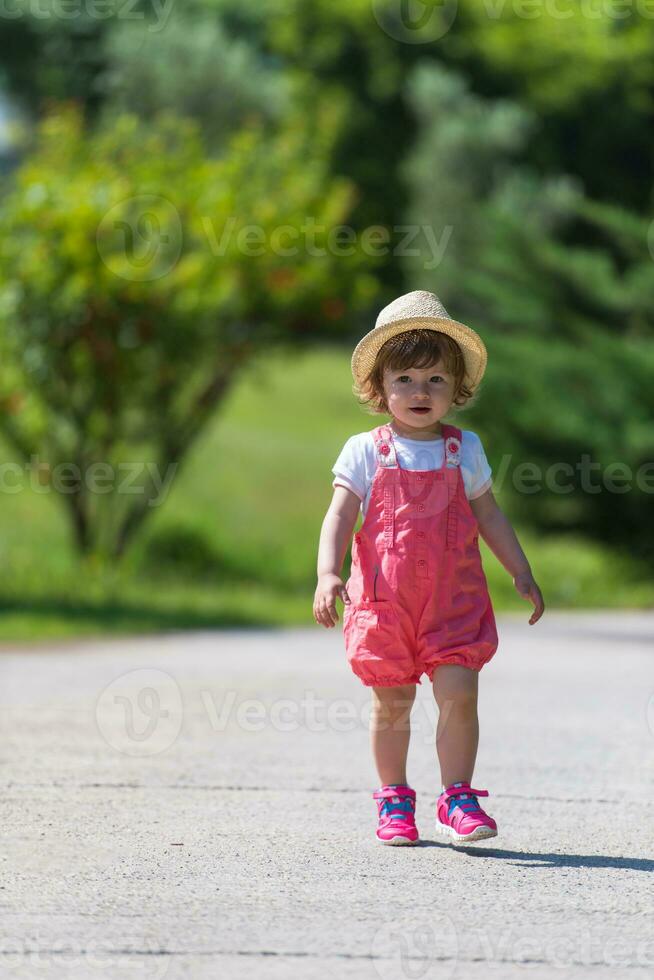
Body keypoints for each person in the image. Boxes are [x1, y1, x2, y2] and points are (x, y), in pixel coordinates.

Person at [314, 290, 544, 846]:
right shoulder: (365, 451)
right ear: (380, 387)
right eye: (406, 380)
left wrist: (520, 570)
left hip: (452, 603)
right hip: (386, 606)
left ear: (457, 387)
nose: (421, 392)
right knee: (393, 702)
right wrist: (328, 572)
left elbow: (490, 516)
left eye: (436, 380)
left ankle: (458, 797)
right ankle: (394, 799)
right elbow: (340, 515)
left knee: (460, 693)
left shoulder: (464, 451)